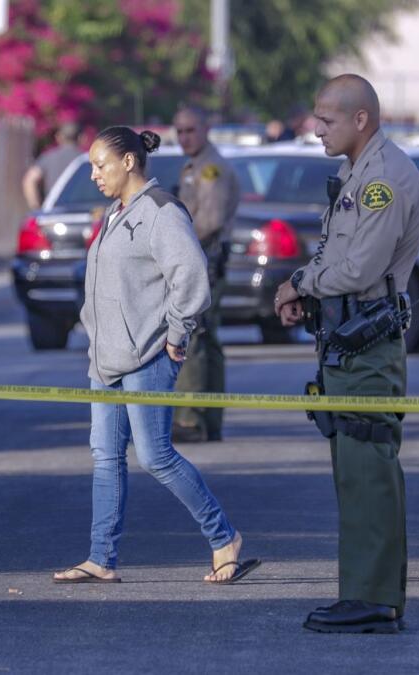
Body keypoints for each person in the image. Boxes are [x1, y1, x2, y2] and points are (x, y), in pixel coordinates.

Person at [52, 126, 260, 585]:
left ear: (129, 162)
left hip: (147, 358)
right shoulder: (114, 214)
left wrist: (177, 335)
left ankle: (224, 537)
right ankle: (100, 557)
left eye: (100, 165)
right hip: (105, 362)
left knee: (155, 456)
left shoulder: (162, 212)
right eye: (91, 166)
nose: (94, 175)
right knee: (105, 457)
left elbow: (191, 277)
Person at [273, 74, 419, 633]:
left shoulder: (383, 179)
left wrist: (298, 283)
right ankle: (367, 592)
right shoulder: (356, 174)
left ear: (361, 119)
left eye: (327, 119)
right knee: (357, 471)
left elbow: (360, 269)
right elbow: (338, 257)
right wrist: (308, 290)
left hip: (367, 343)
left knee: (368, 468)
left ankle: (372, 598)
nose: (316, 129)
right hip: (346, 340)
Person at [171, 105, 240, 443]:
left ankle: (190, 419)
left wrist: (173, 247)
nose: (184, 137)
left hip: (204, 263)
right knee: (207, 340)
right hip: (202, 262)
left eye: (190, 130)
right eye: (179, 131)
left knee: (193, 338)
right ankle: (208, 420)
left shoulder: (210, 168)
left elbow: (208, 221)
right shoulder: (195, 166)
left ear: (206, 128)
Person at [21, 122, 83, 210]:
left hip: (53, 211)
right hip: (82, 210)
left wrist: (36, 207)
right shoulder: (85, 158)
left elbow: (29, 180)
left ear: (59, 137)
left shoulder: (48, 157)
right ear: (81, 138)